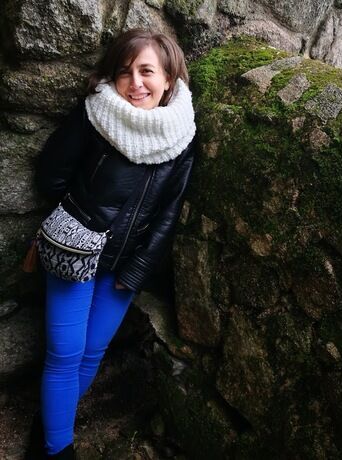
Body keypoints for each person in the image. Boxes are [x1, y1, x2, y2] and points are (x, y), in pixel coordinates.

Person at [25, 28, 196, 459]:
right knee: (65, 354)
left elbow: (168, 215)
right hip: (75, 253)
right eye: (125, 72)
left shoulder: (182, 137)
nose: (135, 83)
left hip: (123, 267)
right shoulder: (95, 114)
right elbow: (50, 175)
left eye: (146, 71)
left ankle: (48, 426)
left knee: (91, 353)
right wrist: (79, 219)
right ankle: (57, 449)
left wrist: (137, 271)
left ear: (168, 79)